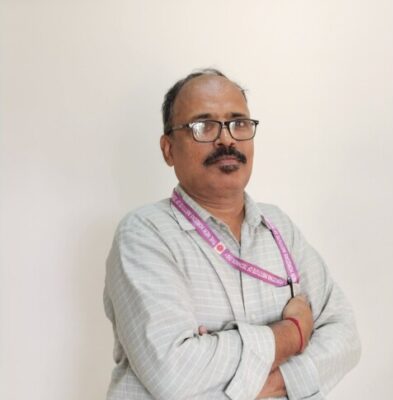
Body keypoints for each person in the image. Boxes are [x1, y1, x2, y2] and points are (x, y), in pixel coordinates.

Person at [103, 69, 361, 400]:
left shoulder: (278, 226)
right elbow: (174, 374)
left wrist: (271, 381)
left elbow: (345, 337)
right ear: (168, 149)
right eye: (204, 126)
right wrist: (293, 334)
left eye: (238, 123)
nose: (227, 139)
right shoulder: (144, 234)